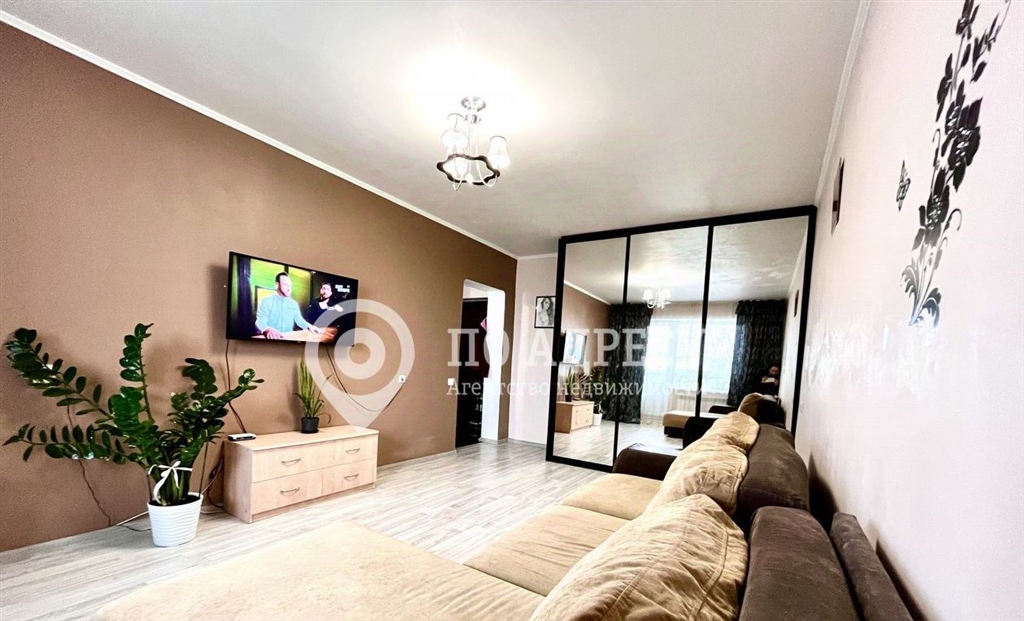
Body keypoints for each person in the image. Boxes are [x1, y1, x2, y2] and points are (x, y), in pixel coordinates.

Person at [255, 272, 322, 340]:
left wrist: (309, 326)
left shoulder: (293, 303)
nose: (289, 288)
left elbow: (299, 320)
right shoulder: (266, 301)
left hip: (288, 340)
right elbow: (260, 321)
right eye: (286, 285)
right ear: (277, 285)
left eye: (290, 286)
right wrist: (267, 329)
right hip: (271, 340)